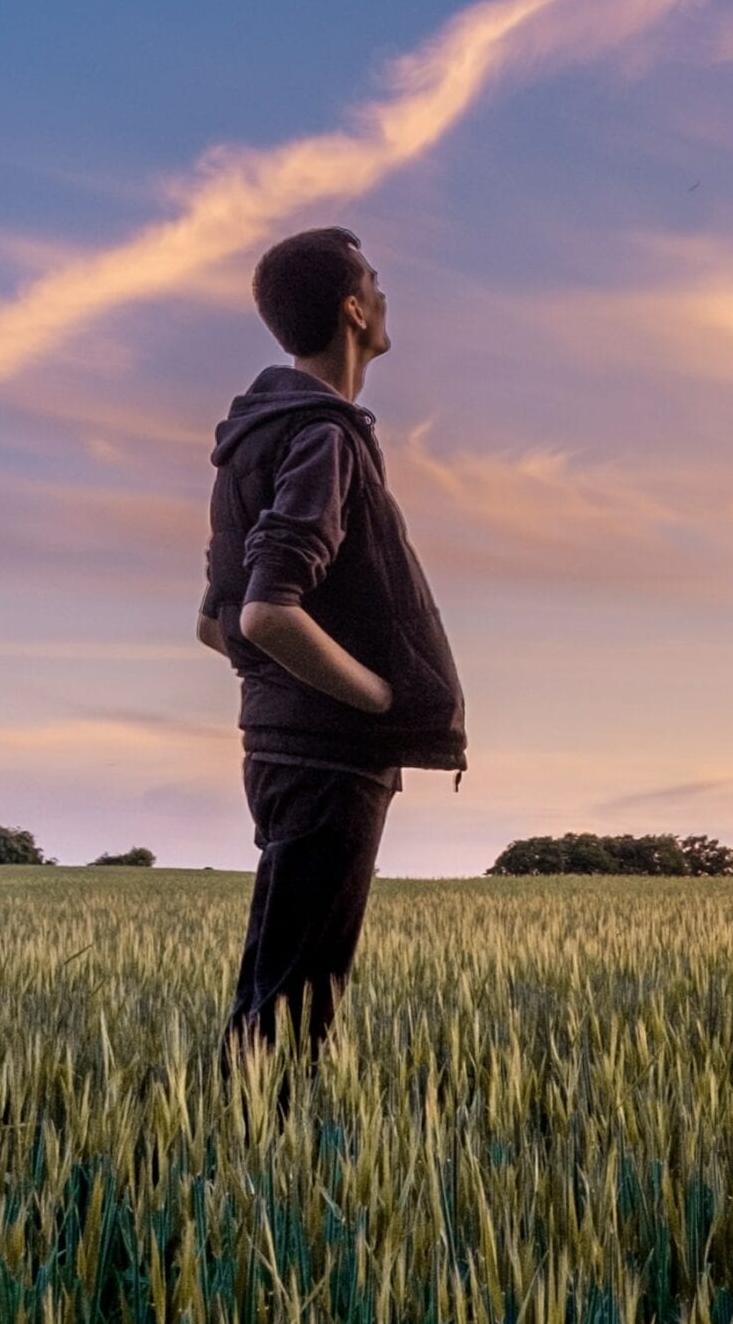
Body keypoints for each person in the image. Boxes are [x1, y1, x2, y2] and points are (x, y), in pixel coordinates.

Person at [197, 226, 466, 1078]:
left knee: (276, 990)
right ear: (354, 309)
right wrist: (378, 701)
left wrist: (280, 693)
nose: (386, 298)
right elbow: (264, 615)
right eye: (376, 284)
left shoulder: (254, 438)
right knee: (297, 1009)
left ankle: (235, 1161)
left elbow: (216, 619)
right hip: (328, 756)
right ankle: (253, 1182)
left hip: (279, 748)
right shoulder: (323, 436)